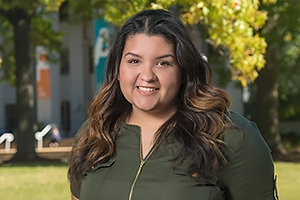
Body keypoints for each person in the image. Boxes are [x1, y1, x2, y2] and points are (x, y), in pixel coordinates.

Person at [68, 9, 277, 200]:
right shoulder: (94, 134)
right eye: (134, 61)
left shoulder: (231, 137)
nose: (147, 76)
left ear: (183, 71)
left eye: (163, 63)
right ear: (117, 68)